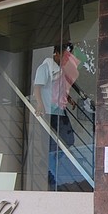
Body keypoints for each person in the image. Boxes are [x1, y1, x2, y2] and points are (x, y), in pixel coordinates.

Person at [32, 43, 79, 189]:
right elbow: (37, 87)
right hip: (48, 112)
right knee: (51, 145)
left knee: (69, 140)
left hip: (60, 110)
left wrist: (69, 99)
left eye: (68, 56)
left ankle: (48, 162)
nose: (66, 59)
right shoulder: (45, 67)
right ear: (56, 54)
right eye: (64, 56)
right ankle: (50, 174)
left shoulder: (60, 71)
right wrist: (40, 104)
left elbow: (60, 89)